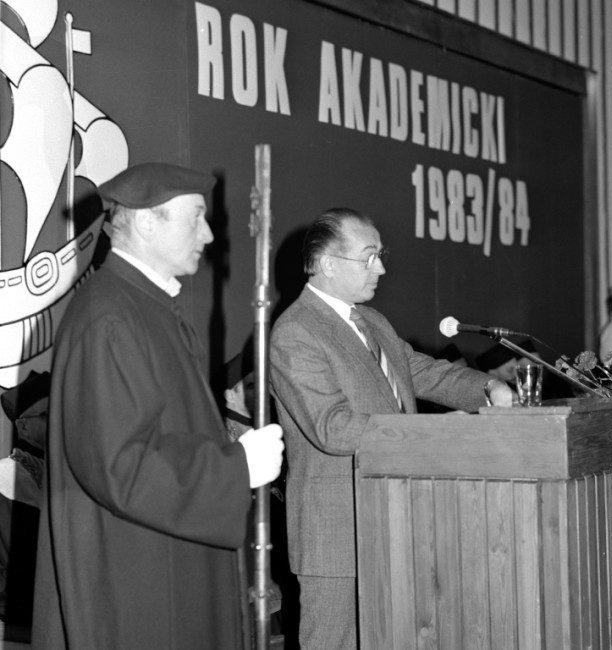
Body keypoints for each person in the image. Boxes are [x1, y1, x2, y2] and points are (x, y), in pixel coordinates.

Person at [31, 162, 284, 650]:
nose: (209, 234)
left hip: (161, 563)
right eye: (195, 218)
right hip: (136, 583)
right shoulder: (110, 317)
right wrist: (236, 467)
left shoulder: (143, 307)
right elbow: (119, 466)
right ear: (147, 222)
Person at [269, 207, 514, 649]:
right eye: (369, 257)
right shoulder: (295, 332)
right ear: (328, 264)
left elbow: (424, 373)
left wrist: (489, 388)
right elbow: (333, 428)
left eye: (381, 255)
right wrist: (432, 437)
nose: (381, 268)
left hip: (398, 516)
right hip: (338, 531)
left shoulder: (373, 322)